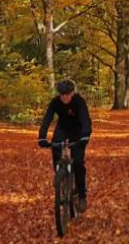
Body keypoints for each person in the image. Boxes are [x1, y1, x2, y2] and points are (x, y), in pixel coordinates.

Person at [37, 78, 92, 212]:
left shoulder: (79, 101)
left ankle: (82, 195)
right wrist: (42, 137)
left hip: (78, 131)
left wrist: (85, 135)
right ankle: (59, 173)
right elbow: (47, 119)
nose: (65, 97)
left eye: (67, 94)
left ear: (72, 93)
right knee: (55, 147)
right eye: (62, 95)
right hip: (62, 129)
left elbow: (85, 119)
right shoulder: (55, 102)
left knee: (78, 162)